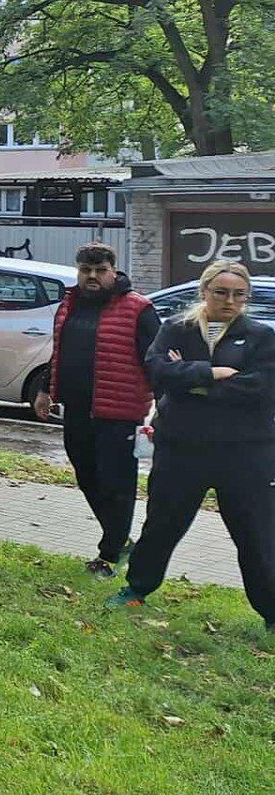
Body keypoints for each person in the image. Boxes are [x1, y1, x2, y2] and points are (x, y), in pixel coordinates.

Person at [107, 258, 275, 635]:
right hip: (181, 448)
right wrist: (212, 374)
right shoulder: (176, 330)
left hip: (246, 454)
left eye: (238, 294)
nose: (229, 301)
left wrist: (190, 382)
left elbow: (262, 390)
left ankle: (271, 611)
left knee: (257, 535)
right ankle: (137, 588)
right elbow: (158, 373)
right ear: (204, 292)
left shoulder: (262, 337)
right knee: (162, 524)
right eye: (221, 292)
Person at [32, 242, 162, 575]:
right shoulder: (69, 304)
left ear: (113, 271)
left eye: (99, 271)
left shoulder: (138, 309)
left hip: (119, 413)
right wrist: (46, 391)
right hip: (77, 409)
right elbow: (59, 352)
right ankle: (118, 539)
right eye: (85, 270)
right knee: (87, 476)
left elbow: (157, 363)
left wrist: (164, 408)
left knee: (117, 484)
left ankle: (109, 555)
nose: (92, 277)